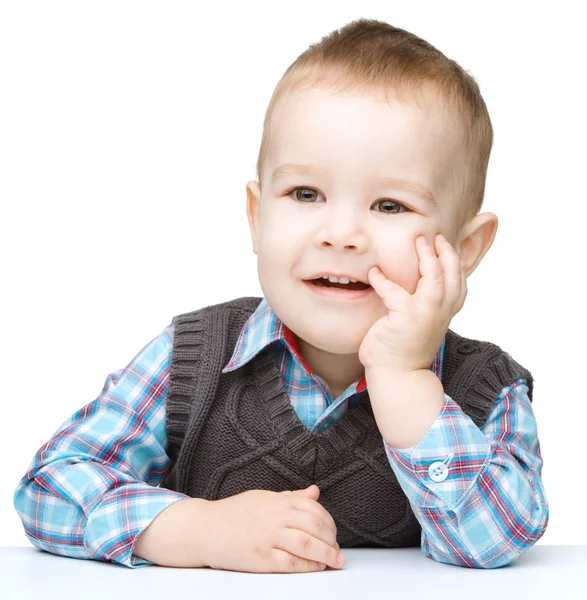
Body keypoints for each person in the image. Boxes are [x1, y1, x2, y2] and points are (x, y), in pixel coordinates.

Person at [13, 18, 549, 573]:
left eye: (389, 205)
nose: (340, 233)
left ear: (463, 249)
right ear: (257, 215)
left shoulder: (488, 387)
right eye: (305, 193)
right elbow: (48, 488)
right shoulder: (193, 357)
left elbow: (498, 539)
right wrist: (192, 529)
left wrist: (404, 377)